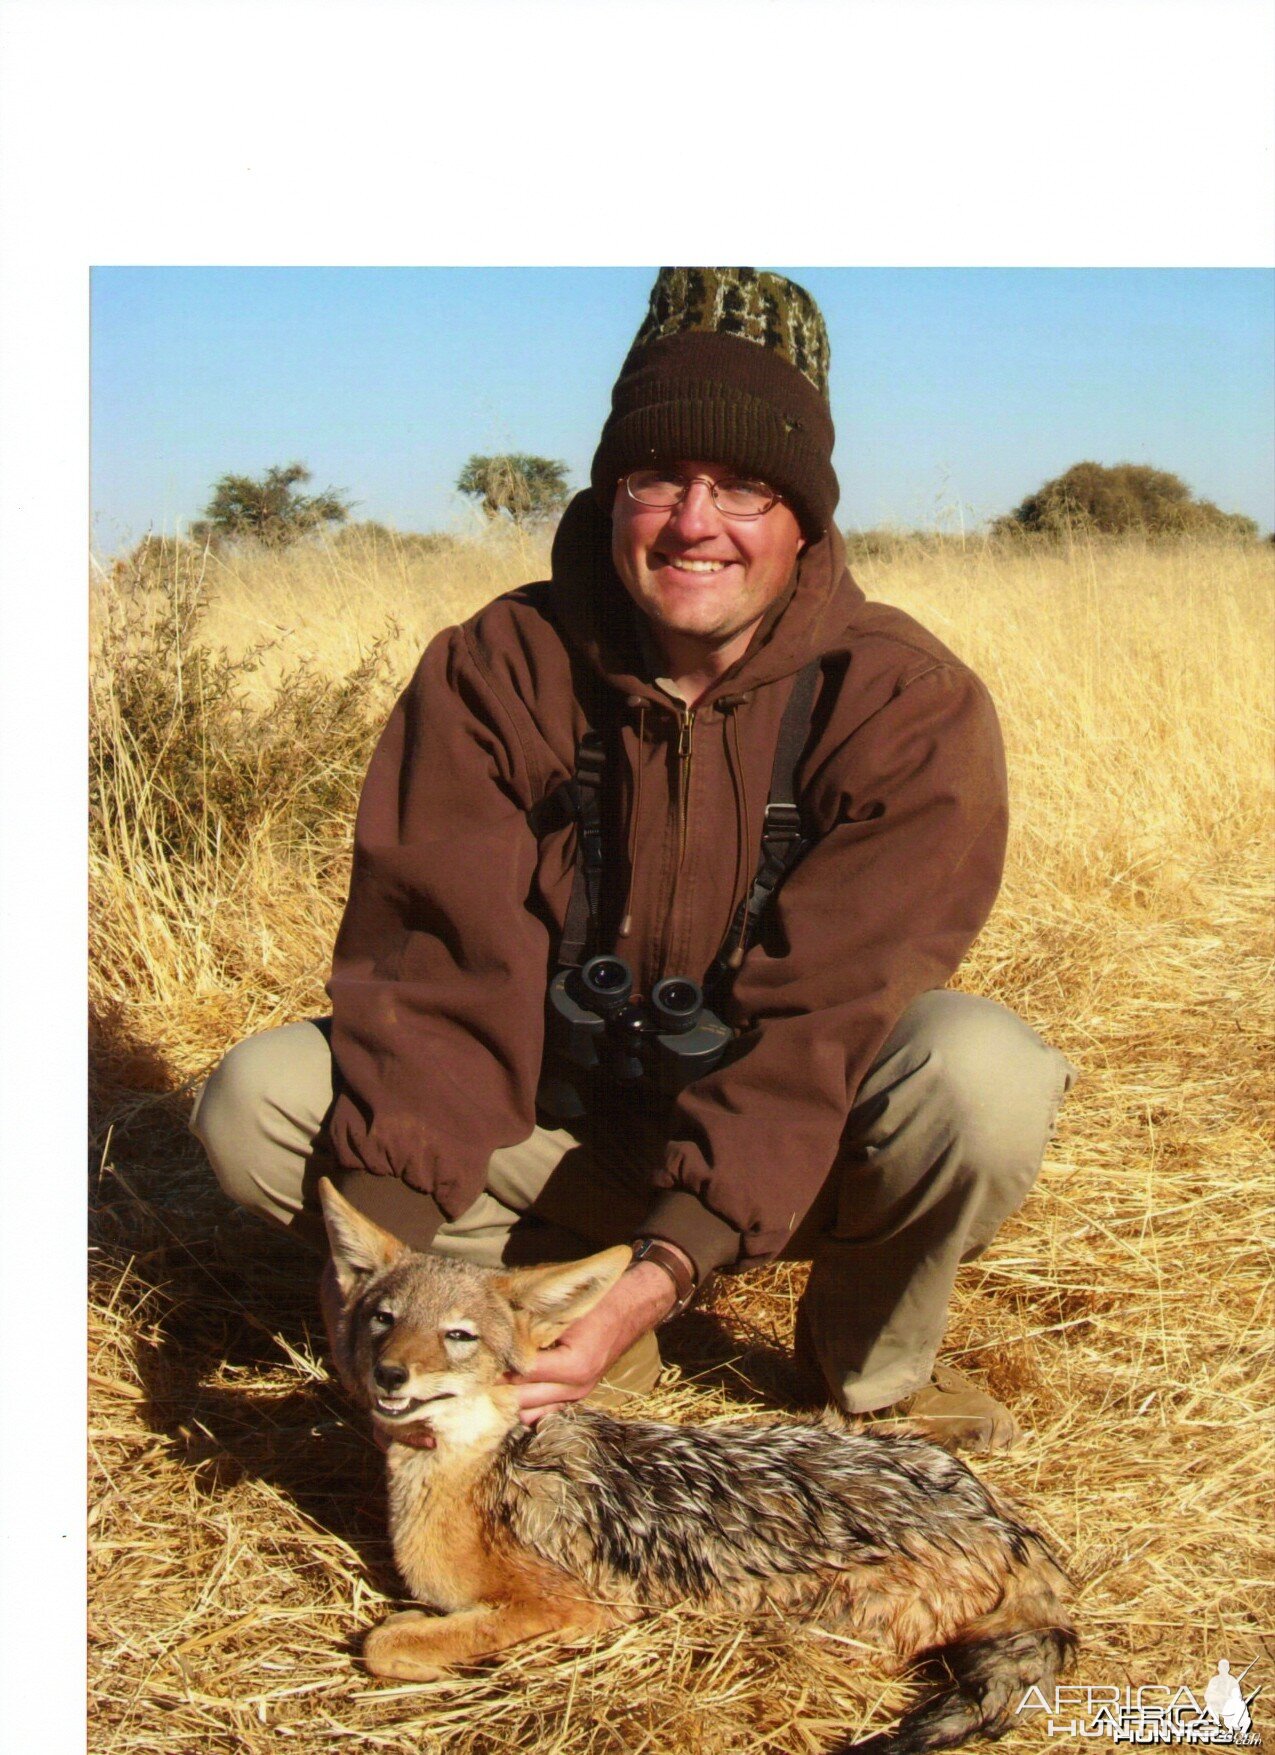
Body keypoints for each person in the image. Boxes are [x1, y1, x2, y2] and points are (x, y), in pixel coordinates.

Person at [192, 267, 1075, 1454]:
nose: (695, 522)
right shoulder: (495, 667)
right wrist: (382, 1294)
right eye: (659, 478)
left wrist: (663, 1267)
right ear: (611, 494)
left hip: (785, 1148)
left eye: (746, 488)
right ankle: (521, 1326)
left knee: (982, 1076)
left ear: (805, 517)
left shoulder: (904, 702)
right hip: (545, 1132)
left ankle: (870, 1373)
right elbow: (438, 981)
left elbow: (825, 1024)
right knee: (257, 1104)